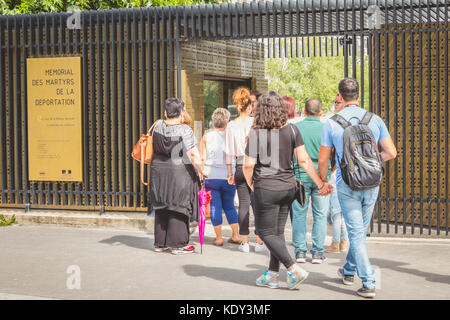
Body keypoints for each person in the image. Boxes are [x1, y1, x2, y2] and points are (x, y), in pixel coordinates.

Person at [243, 91, 332, 290]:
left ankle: (293, 268)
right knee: (276, 232)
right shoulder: (292, 130)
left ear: (261, 110)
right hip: (288, 187)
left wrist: (251, 184)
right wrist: (320, 183)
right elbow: (303, 160)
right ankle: (272, 276)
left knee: (263, 231)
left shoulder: (256, 133)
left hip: (266, 187)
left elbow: (248, 165)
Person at [319, 78, 397, 298]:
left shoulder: (332, 123)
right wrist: (370, 163)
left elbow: (323, 160)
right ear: (359, 95)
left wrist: (324, 180)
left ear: (340, 97)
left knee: (356, 233)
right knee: (359, 231)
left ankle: (369, 281)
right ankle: (349, 270)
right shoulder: (374, 120)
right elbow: (391, 152)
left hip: (347, 183)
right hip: (372, 182)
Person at [149, 98, 208, 255]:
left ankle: (160, 243)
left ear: (165, 113)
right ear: (182, 113)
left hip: (158, 172)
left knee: (162, 204)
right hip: (179, 173)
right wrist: (202, 170)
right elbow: (193, 155)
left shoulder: (158, 126)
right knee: (178, 206)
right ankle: (178, 244)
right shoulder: (185, 130)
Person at [225, 87, 265, 253]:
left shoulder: (231, 125)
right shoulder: (255, 123)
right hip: (256, 166)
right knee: (258, 205)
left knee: (243, 204)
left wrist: (229, 173)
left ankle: (244, 242)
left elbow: (228, 152)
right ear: (250, 106)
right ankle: (260, 242)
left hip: (240, 166)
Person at [291, 99, 330, 265]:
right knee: (320, 215)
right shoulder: (326, 128)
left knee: (299, 213)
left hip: (301, 175)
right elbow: (333, 154)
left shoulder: (295, 128)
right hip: (322, 177)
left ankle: (300, 251)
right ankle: (317, 253)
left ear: (304, 112)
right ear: (320, 112)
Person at [200, 108, 240, 246]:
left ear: (213, 121)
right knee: (229, 206)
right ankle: (235, 236)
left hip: (211, 176)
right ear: (227, 122)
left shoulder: (206, 136)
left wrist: (201, 173)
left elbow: (202, 158)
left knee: (215, 206)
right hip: (230, 176)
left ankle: (218, 238)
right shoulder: (232, 137)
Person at [325, 94, 348, 253]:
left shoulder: (334, 124)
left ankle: (336, 243)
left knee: (336, 213)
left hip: (338, 174)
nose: (335, 105)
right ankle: (342, 241)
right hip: (346, 173)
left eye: (338, 102)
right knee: (339, 213)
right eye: (335, 102)